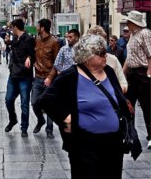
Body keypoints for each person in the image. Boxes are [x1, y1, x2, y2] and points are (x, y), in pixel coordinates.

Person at [37, 34, 130, 179]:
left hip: (113, 144)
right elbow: (45, 100)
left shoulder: (110, 73)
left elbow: (118, 99)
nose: (106, 55)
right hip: (85, 145)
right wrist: (66, 118)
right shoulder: (71, 76)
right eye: (101, 53)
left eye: (105, 51)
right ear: (87, 56)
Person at [121, 11, 151, 149]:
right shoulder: (132, 35)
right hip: (132, 74)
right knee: (128, 104)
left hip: (143, 73)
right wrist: (121, 74)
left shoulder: (145, 33)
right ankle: (129, 133)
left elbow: (150, 54)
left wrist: (149, 73)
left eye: (128, 21)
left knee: (147, 106)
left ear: (134, 22)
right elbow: (129, 58)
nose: (126, 23)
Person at [5, 18, 35, 137]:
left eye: (12, 28)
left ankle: (24, 127)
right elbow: (13, 54)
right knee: (8, 100)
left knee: (24, 102)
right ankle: (13, 119)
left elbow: (34, 55)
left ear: (15, 27)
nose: (11, 30)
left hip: (24, 76)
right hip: (13, 75)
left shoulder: (29, 39)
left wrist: (30, 58)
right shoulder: (14, 40)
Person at [31, 19, 60, 139]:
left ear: (42, 28)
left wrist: (50, 77)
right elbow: (32, 54)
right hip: (37, 77)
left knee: (50, 104)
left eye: (38, 26)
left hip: (49, 78)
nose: (36, 27)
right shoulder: (36, 40)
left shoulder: (54, 42)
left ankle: (49, 129)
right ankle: (40, 120)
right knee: (34, 102)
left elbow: (57, 63)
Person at [86, 25, 128, 93]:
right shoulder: (82, 62)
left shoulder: (113, 59)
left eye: (101, 42)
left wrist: (115, 91)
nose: (98, 45)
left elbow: (123, 83)